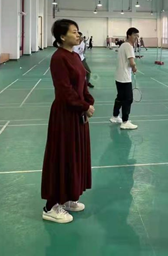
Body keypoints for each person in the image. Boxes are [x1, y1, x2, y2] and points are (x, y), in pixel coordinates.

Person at [41, 19, 95, 224]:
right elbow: (65, 91)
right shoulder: (58, 58)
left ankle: (67, 197)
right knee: (62, 157)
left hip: (77, 113)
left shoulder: (75, 56)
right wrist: (84, 106)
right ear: (62, 36)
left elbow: (82, 83)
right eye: (74, 32)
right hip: (65, 114)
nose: (78, 35)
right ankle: (50, 206)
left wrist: (88, 101)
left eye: (78, 31)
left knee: (75, 156)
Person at [109, 27, 139, 130]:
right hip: (125, 77)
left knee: (120, 97)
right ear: (129, 35)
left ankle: (115, 116)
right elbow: (132, 62)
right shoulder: (129, 46)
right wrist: (134, 67)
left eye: (137, 36)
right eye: (135, 35)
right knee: (128, 99)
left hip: (118, 76)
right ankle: (125, 122)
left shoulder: (122, 45)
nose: (136, 38)